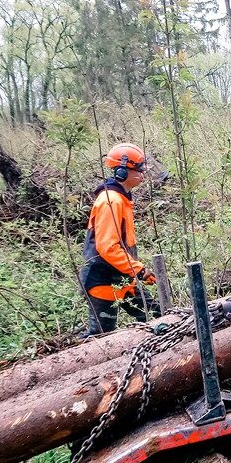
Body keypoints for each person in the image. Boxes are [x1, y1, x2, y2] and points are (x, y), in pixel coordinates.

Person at [80, 142, 158, 336]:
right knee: (101, 335)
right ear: (122, 172)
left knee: (158, 315)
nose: (142, 173)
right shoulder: (111, 201)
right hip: (103, 279)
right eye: (139, 169)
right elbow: (108, 247)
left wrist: (136, 272)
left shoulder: (122, 199)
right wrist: (139, 270)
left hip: (123, 277)